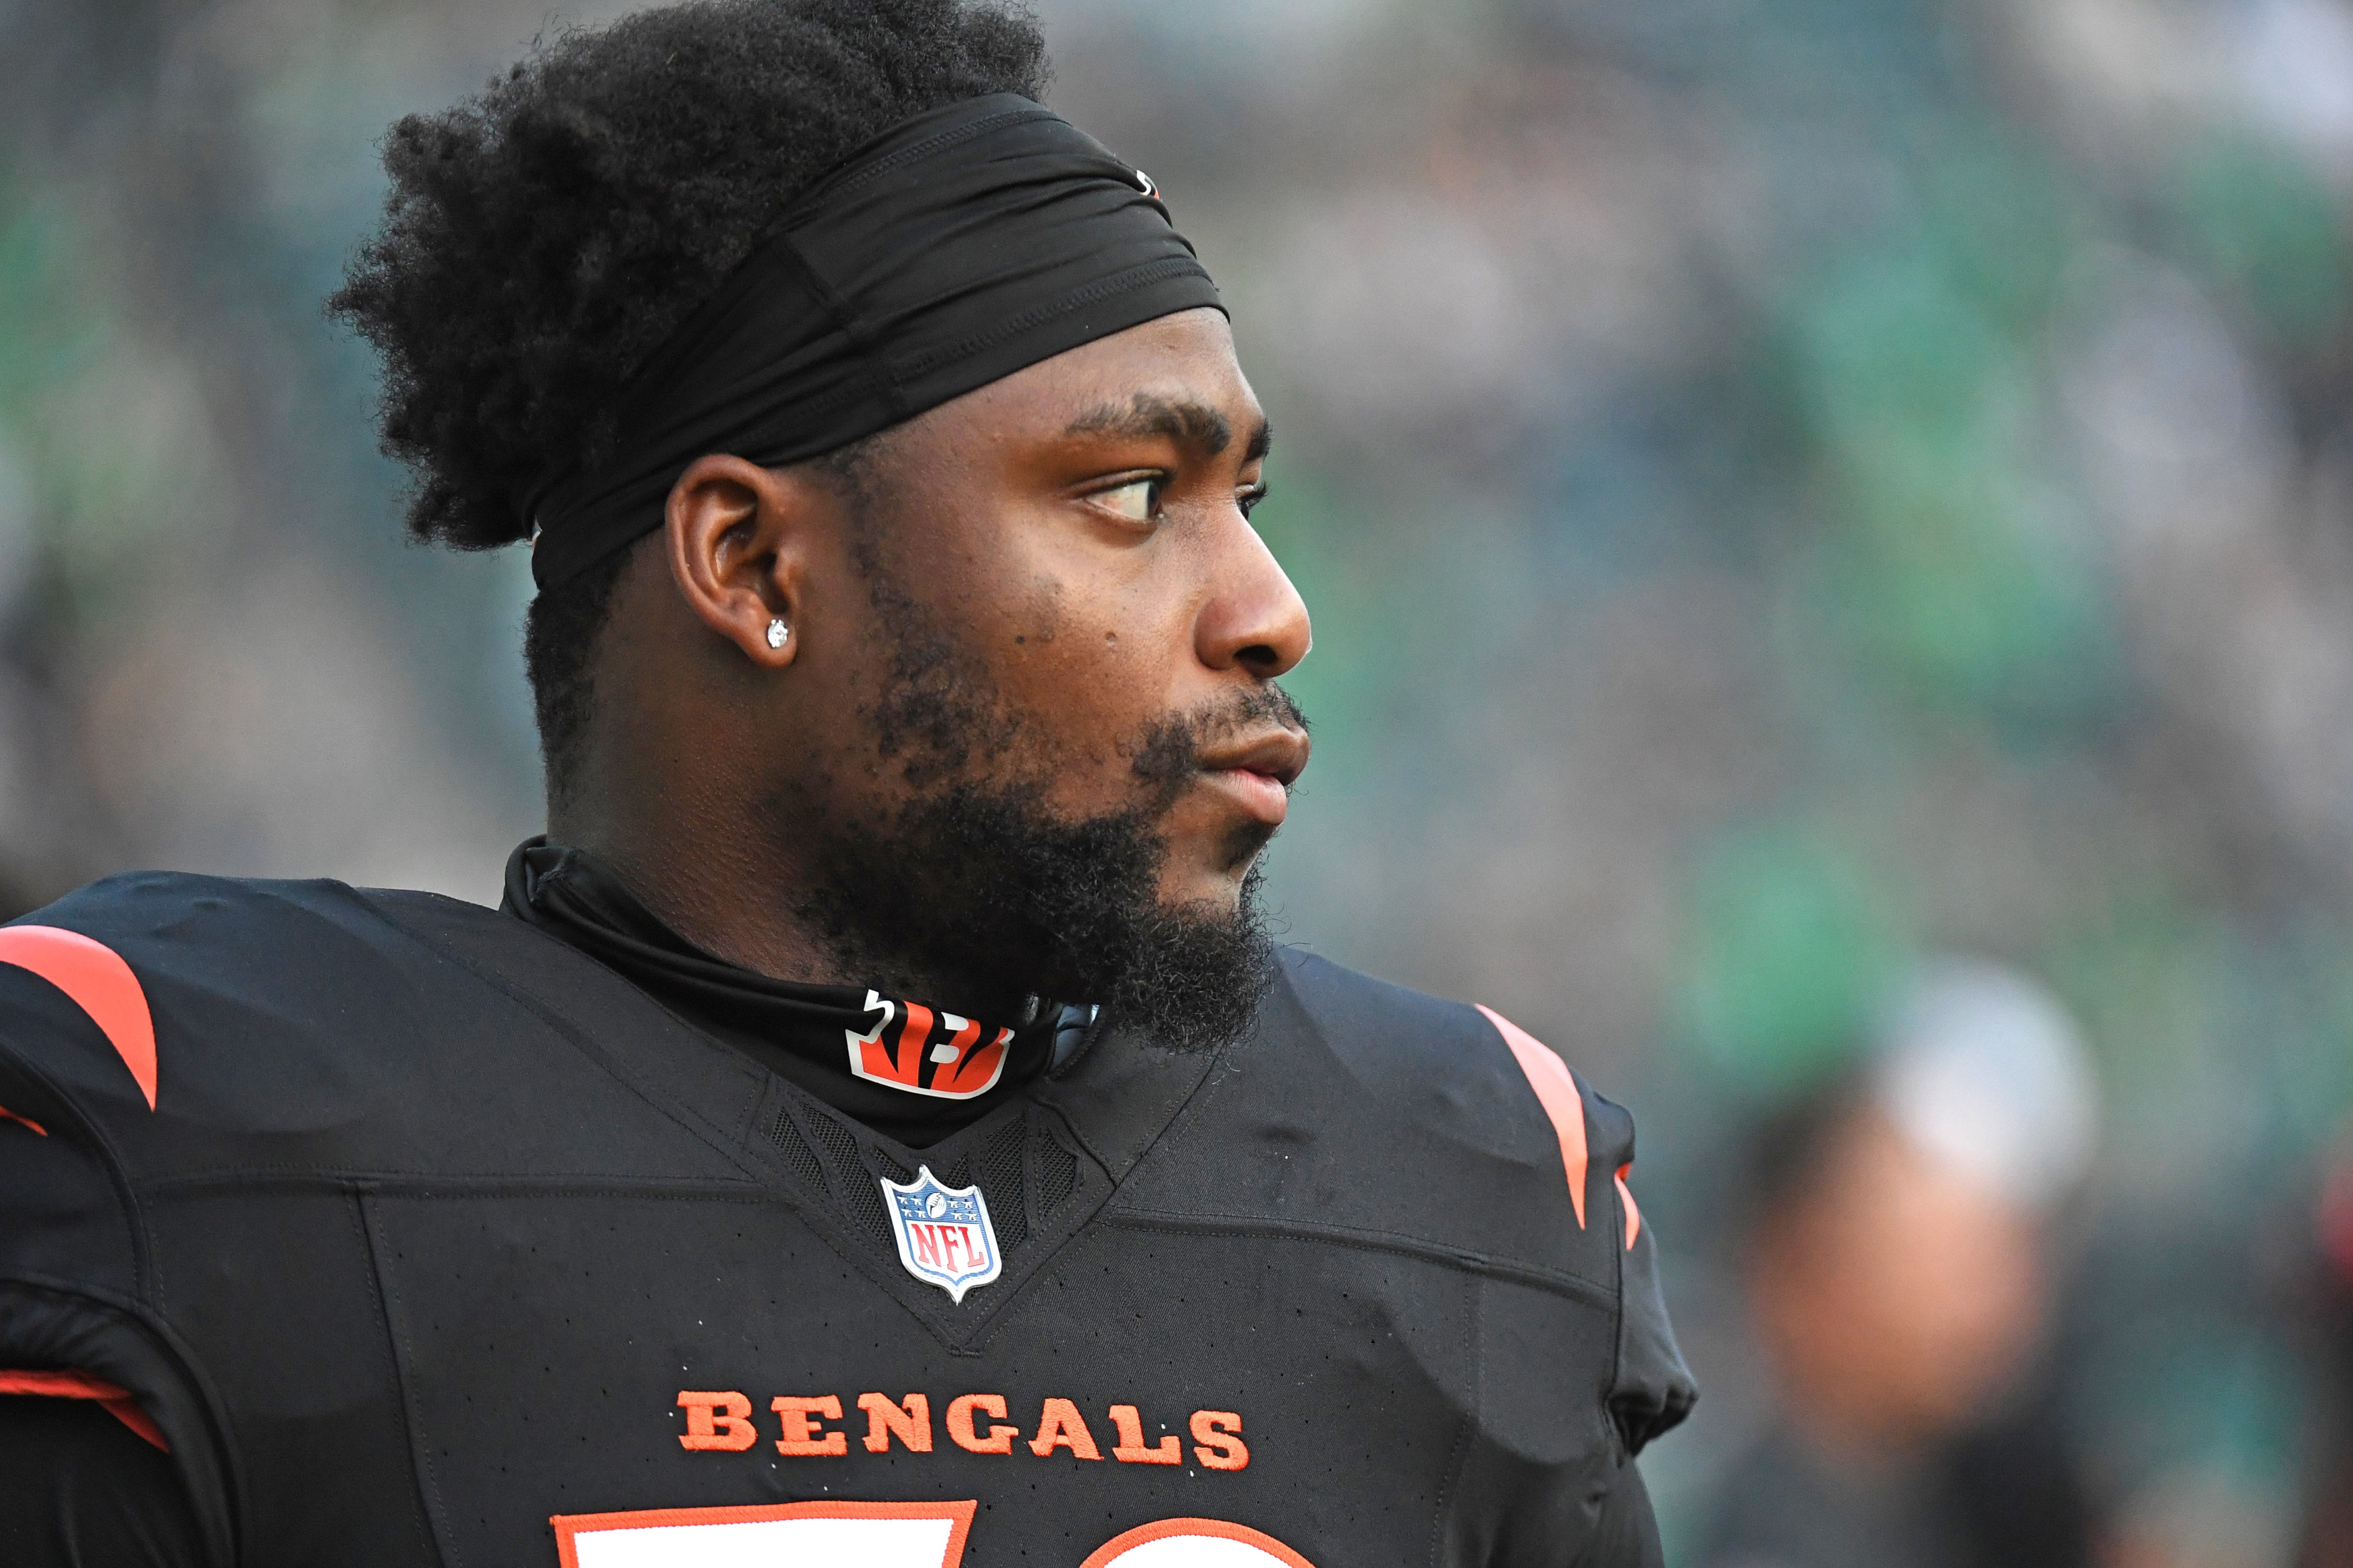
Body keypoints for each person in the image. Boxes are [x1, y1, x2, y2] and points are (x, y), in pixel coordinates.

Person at [0, 3, 1694, 1564]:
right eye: (1123, 493)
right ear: (747, 562)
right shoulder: (192, 1145)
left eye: (1244, 496)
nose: (1271, 610)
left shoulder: (1473, 1192)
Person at [1694, 961, 2101, 1568]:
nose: (1999, 1292)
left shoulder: (2004, 1483)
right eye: (1949, 1256)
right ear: (1797, 1256)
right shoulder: (1698, 1490)